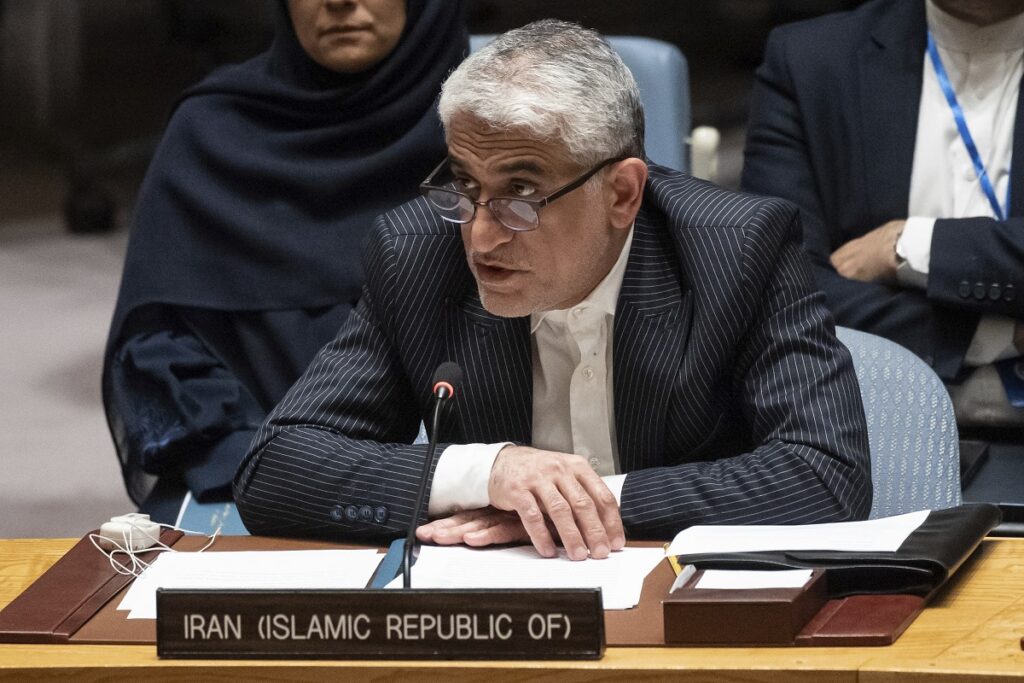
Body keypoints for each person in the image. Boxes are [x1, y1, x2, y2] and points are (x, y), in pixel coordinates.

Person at [234, 19, 871, 559]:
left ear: (622, 193)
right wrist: (490, 471)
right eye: (465, 185)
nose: (481, 237)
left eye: (521, 194)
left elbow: (824, 473)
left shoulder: (736, 251)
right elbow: (274, 471)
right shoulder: (416, 255)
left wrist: (577, 503)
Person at [103, 0, 467, 521]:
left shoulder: (489, 135)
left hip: (475, 476)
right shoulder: (213, 129)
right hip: (255, 475)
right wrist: (268, 463)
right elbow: (157, 343)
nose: (338, 2)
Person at [742, 0, 1024, 429]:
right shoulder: (810, 61)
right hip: (863, 426)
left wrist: (908, 246)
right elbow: (783, 289)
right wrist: (996, 332)